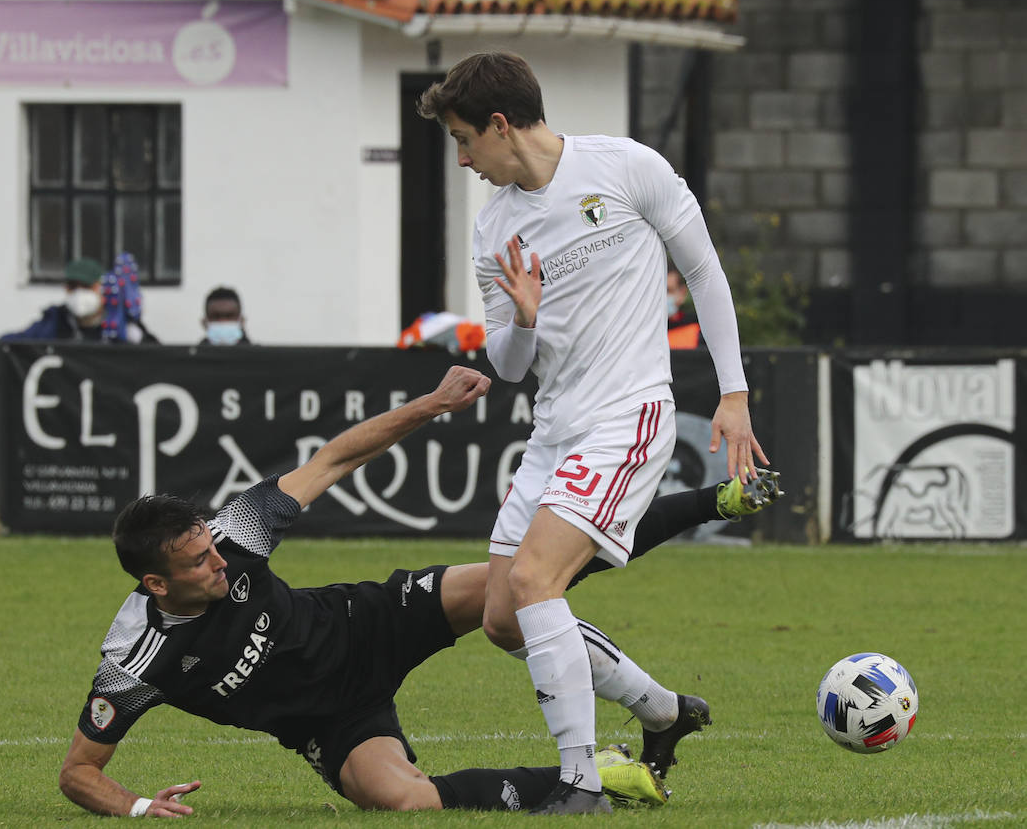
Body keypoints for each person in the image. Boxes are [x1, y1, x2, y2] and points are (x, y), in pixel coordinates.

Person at [58, 365, 784, 817]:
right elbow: (79, 773)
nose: (218, 560)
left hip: (367, 623)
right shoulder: (134, 659)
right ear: (157, 583)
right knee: (403, 800)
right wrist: (138, 806)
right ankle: (609, 776)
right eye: (197, 561)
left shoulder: (237, 531)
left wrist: (433, 404)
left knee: (522, 585)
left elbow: (336, 458)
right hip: (329, 721)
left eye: (212, 546)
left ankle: (711, 505)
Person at [418, 51, 768, 814]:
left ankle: (581, 785)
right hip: (554, 433)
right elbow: (508, 364)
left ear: (501, 125)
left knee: (538, 582)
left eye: (464, 138)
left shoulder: (627, 167)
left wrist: (732, 393)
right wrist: (525, 318)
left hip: (627, 416)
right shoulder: (495, 230)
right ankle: (664, 710)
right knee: (505, 619)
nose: (463, 158)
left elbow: (705, 273)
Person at [3, 256, 158, 344]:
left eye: (86, 286)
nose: (79, 293)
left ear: (102, 288)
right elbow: (10, 345)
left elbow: (158, 357)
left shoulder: (120, 324)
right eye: (72, 286)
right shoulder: (54, 321)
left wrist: (139, 340)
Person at [667, 266, 702, 349]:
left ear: (682, 293)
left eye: (668, 290)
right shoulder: (643, 328)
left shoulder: (696, 329)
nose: (663, 296)